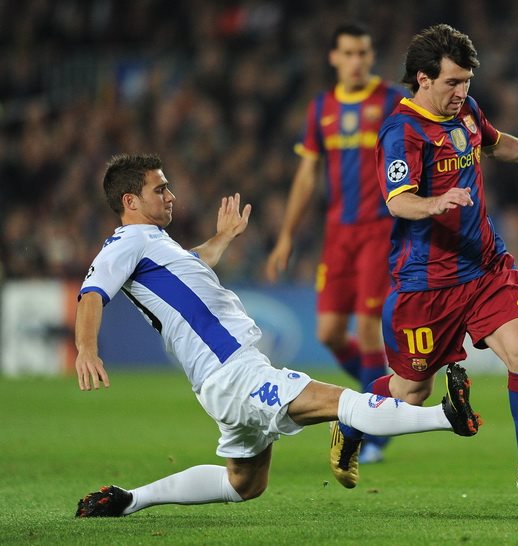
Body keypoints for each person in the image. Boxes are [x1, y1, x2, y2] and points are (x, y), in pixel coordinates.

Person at [74, 152, 477, 518]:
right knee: (340, 402)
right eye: (160, 189)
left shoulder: (153, 244)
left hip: (222, 377)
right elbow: (92, 293)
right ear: (130, 201)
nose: (171, 196)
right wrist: (86, 349)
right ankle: (445, 416)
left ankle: (131, 500)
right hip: (232, 370)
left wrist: (223, 237)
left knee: (244, 484)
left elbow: (192, 263)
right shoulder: (126, 242)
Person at [331, 24, 518, 514]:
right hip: (426, 282)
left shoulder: (465, 111)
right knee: (410, 392)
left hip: (484, 267)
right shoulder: (402, 132)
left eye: (466, 82)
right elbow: (398, 202)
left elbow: (496, 143)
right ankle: (350, 421)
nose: (461, 92)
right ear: (423, 78)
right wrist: (435, 202)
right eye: (452, 82)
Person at [266, 23, 409, 464]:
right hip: (338, 234)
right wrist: (286, 235)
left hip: (379, 229)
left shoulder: (391, 100)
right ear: (334, 57)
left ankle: (373, 430)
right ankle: (376, 398)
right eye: (348, 53)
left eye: (363, 53)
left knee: (366, 330)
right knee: (329, 333)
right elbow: (307, 175)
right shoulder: (321, 108)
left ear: (371, 56)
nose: (356, 61)